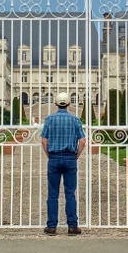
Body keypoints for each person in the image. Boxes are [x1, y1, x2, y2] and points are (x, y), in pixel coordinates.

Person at [40, 92, 86, 236]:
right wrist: (76, 156)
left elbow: (43, 140)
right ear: (68, 104)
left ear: (55, 104)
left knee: (53, 194)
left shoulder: (49, 119)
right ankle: (72, 226)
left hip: (54, 158)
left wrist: (49, 155)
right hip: (70, 158)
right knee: (70, 193)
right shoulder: (75, 120)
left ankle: (52, 226)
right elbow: (83, 141)